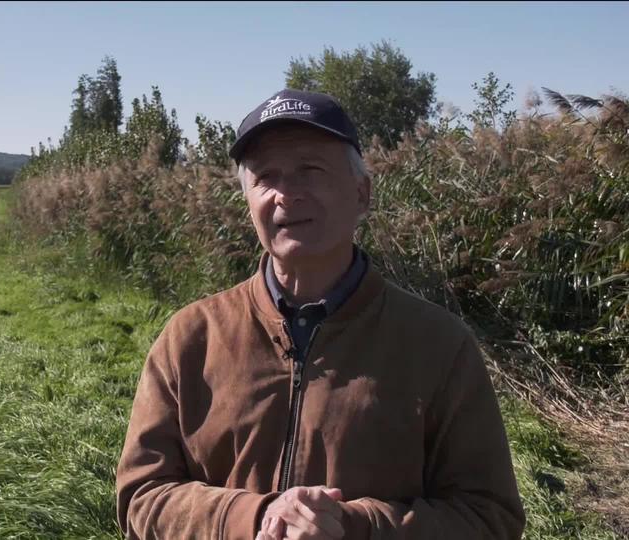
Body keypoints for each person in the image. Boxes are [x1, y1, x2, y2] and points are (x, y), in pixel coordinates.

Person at [114, 88, 526, 540]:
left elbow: (490, 518)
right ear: (248, 201)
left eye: (311, 170)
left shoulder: (439, 344)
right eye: (266, 177)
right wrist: (257, 519)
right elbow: (142, 496)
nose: (286, 195)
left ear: (362, 192)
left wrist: (359, 527)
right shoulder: (190, 336)